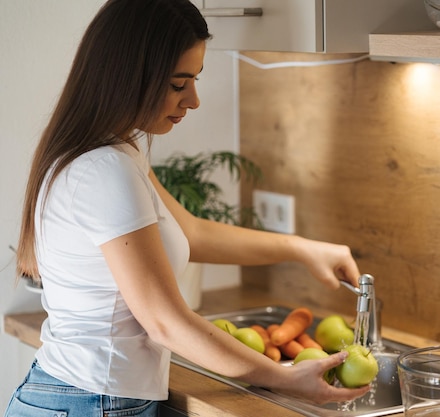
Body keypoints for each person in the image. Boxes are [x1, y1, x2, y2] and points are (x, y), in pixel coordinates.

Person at [4, 0, 370, 415]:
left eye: (193, 80)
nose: (193, 100)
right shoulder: (105, 169)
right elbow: (165, 322)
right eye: (179, 85)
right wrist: (284, 378)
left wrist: (302, 248)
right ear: (129, 76)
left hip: (81, 397)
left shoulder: (113, 152)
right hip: (92, 402)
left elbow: (191, 233)